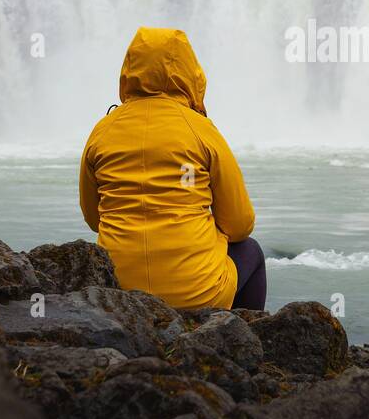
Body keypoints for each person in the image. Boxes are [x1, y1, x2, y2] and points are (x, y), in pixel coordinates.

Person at [78, 27, 266, 311]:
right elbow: (239, 224)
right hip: (198, 295)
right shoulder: (200, 129)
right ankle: (239, 340)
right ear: (190, 71)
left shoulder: (102, 131)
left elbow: (95, 219)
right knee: (250, 250)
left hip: (119, 292)